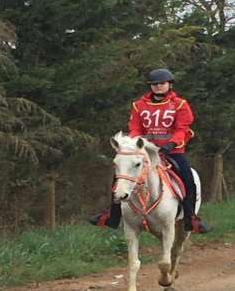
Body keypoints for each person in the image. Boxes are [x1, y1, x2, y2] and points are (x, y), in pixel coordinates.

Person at [89, 68, 210, 233]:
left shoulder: (180, 104)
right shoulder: (139, 105)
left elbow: (182, 128)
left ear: (170, 84)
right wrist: (139, 145)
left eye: (162, 83)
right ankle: (113, 215)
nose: (158, 86)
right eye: (154, 84)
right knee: (121, 177)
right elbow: (135, 129)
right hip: (144, 151)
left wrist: (171, 144)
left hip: (172, 151)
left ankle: (191, 218)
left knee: (188, 179)